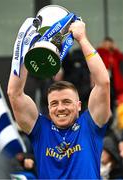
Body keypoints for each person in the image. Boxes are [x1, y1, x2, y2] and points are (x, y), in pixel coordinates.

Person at [7, 19, 111, 179]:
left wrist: (82, 39)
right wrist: (30, 52)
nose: (60, 108)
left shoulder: (90, 126)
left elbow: (103, 83)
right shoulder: (41, 131)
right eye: (54, 103)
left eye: (67, 102)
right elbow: (14, 93)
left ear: (78, 105)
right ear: (48, 108)